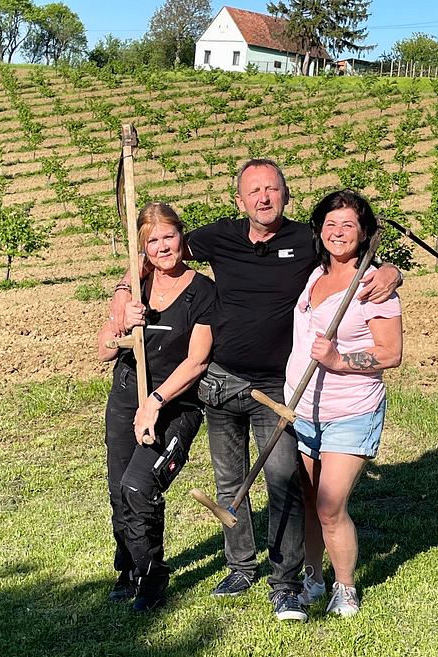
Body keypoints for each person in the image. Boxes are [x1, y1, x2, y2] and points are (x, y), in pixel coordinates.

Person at [110, 159, 402, 622]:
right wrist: (127, 288)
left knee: (282, 481)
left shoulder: (305, 240)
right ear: (239, 200)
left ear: (286, 195)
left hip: (276, 387)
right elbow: (157, 251)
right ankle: (240, 565)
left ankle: (285, 583)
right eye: (254, 192)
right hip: (221, 381)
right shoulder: (217, 237)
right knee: (230, 480)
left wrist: (389, 271)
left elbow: (348, 252)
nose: (264, 198)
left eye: (272, 190)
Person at [285, 189, 402, 618]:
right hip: (302, 409)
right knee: (309, 498)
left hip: (351, 410)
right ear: (319, 230)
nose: (338, 233)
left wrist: (338, 360)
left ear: (364, 232)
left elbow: (390, 353)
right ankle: (313, 579)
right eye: (330, 224)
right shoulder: (313, 275)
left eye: (348, 225)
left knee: (330, 506)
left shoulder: (373, 287)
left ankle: (345, 587)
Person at [97, 202, 215, 612]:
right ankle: (127, 568)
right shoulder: (135, 288)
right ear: (142, 247)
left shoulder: (202, 290)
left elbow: (197, 360)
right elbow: (102, 352)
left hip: (174, 405)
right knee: (118, 490)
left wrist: (156, 401)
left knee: (139, 487)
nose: (163, 246)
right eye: (153, 240)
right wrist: (120, 323)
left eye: (169, 236)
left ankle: (152, 576)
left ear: (182, 237)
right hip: (126, 395)